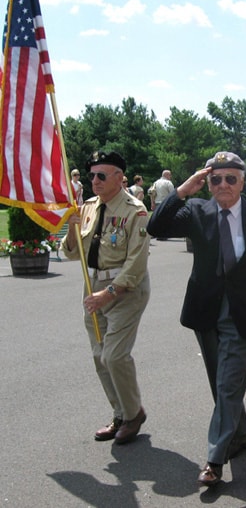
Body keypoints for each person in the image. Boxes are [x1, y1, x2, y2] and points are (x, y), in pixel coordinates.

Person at [146, 151, 246, 487]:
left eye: (230, 178)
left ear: (242, 182)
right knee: (221, 382)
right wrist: (182, 192)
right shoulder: (197, 211)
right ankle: (241, 435)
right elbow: (155, 227)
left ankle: (215, 460)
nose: (222, 185)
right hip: (205, 311)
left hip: (243, 313)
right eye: (215, 179)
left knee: (228, 384)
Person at [61, 151, 151, 445]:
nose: (94, 181)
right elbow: (71, 253)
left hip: (124, 291)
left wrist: (108, 293)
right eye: (91, 176)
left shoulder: (135, 211)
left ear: (119, 178)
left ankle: (133, 414)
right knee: (100, 357)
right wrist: (72, 229)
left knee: (114, 355)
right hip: (93, 286)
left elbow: (136, 262)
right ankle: (121, 413)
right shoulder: (87, 207)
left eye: (102, 175)